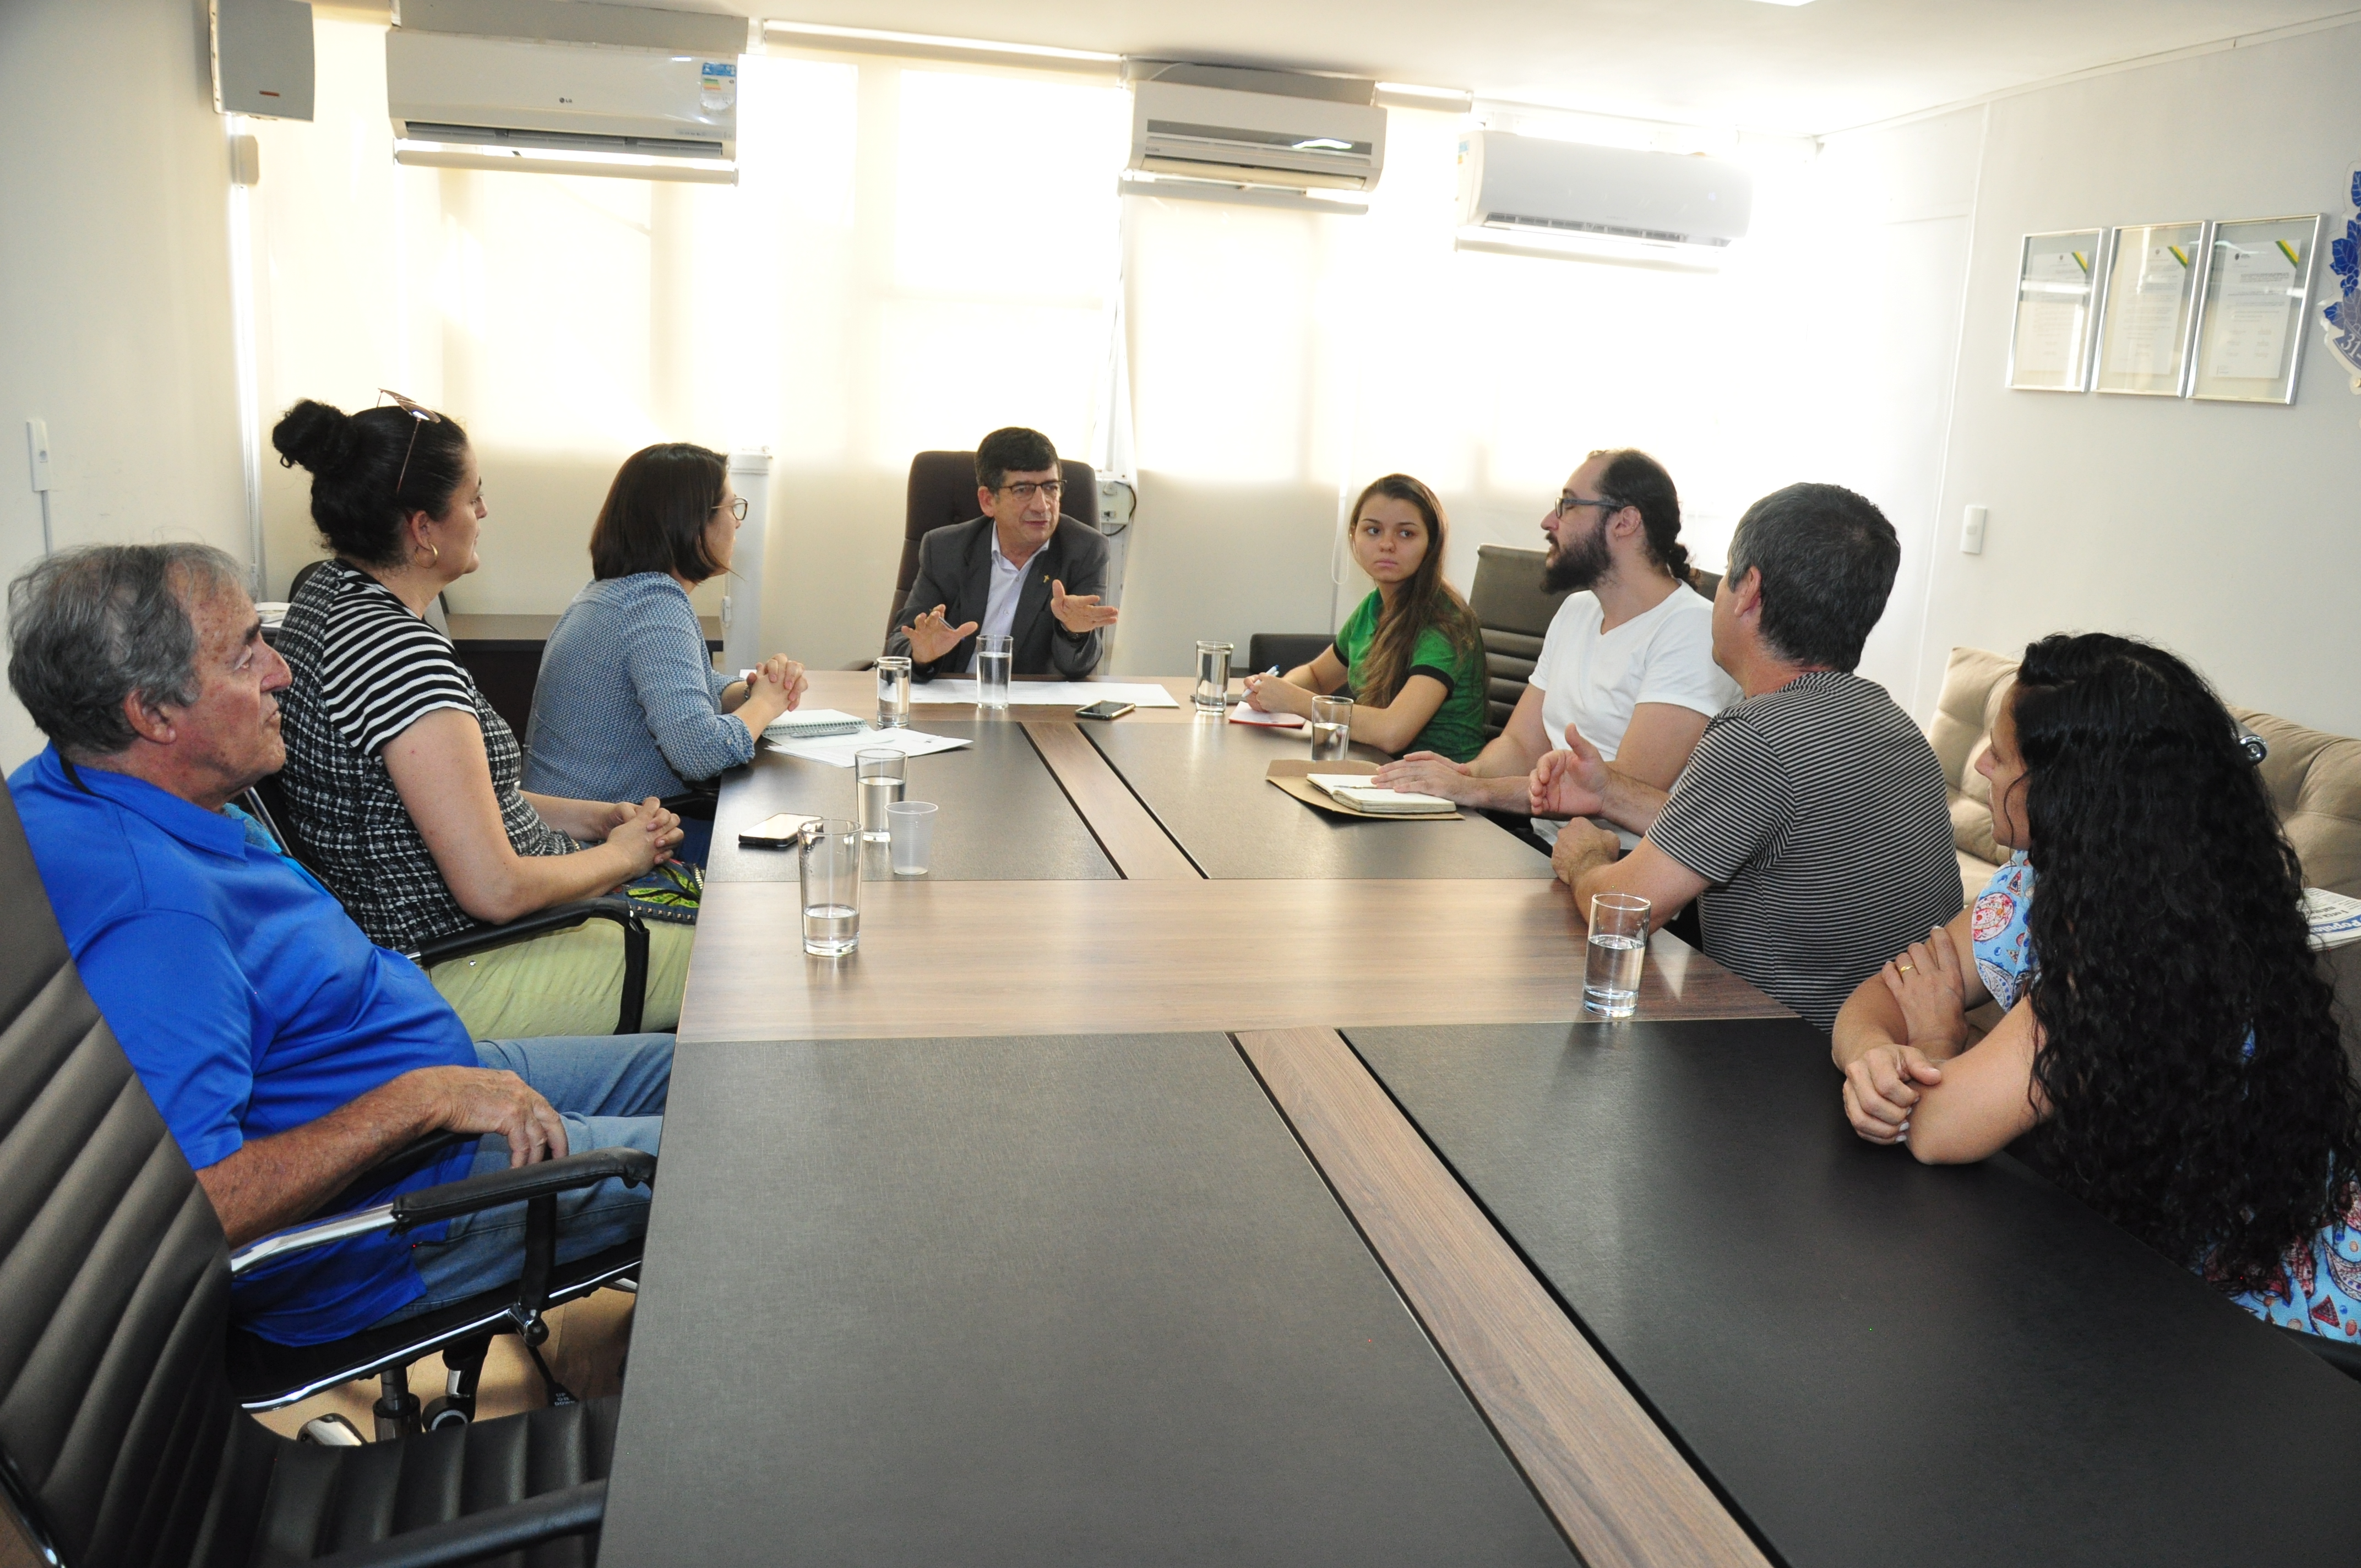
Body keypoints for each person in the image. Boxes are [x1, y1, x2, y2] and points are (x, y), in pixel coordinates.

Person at [4, 543, 670, 1346]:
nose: (281, 673)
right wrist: (422, 1100)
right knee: (748, 1156)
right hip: (402, 1213)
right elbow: (191, 1204)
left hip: (430, 1088)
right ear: (153, 715)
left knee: (726, 1077)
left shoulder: (73, 788)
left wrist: (435, 1087)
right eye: (246, 655)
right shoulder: (157, 919)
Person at [1831, 634, 2361, 1335]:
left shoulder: (2142, 946)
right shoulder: (2042, 878)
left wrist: (1932, 1040)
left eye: (2000, 753)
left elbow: (1936, 1130)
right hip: (2149, 1251)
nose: (1981, 765)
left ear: (2065, 793)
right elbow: (1872, 997)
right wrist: (1873, 1052)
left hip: (2271, 1325)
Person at [268, 395, 694, 1039]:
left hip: (425, 945)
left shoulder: (325, 599)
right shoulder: (401, 660)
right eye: (473, 498)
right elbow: (493, 889)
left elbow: (452, 798)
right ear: (423, 529)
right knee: (747, 955)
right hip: (459, 970)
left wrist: (592, 817)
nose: (484, 512)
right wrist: (623, 855)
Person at [1532, 481, 1959, 1031]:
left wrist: (1583, 863)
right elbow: (1756, 832)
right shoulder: (1887, 719)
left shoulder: (1757, 737)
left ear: (1748, 590)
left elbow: (1622, 911)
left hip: (1782, 1060)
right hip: (1886, 1047)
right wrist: (1610, 793)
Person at [1369, 449, 1734, 834]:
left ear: (1625, 522)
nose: (1549, 522)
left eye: (1569, 505)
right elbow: (1522, 745)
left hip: (1619, 869)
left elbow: (1623, 790)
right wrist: (1461, 774)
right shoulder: (1577, 610)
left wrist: (1475, 790)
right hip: (1541, 845)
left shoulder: (1692, 630)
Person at [524, 442, 809, 865]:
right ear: (692, 523)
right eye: (732, 508)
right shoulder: (653, 604)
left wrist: (745, 691)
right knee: (794, 851)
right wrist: (768, 703)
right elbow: (701, 754)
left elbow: (684, 685)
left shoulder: (613, 592)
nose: (737, 524)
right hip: (595, 849)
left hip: (580, 831)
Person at [1239, 474, 1488, 760]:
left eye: (1406, 533)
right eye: (1373, 531)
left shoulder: (1445, 624)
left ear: (1432, 544)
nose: (1387, 544)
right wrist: (1274, 692)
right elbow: (1317, 677)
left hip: (1439, 790)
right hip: (1376, 769)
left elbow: (1393, 732)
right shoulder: (1373, 607)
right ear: (1353, 536)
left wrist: (1294, 700)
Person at [884, 426, 1118, 680]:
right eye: (1022, 490)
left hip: (1030, 709)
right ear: (987, 501)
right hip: (950, 701)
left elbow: (1079, 668)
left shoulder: (1085, 550)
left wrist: (1074, 633)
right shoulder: (944, 549)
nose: (1042, 506)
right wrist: (921, 655)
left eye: (1051, 488)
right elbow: (899, 645)